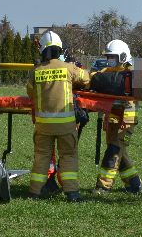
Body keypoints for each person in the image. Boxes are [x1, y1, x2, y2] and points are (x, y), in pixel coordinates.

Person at [27, 31, 90, 202]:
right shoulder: (68, 68)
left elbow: (30, 92)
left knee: (42, 157)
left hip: (43, 126)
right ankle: (71, 192)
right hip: (66, 126)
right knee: (68, 156)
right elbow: (86, 78)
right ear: (60, 49)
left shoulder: (35, 71)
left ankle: (35, 192)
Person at [91, 39, 142, 195]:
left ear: (122, 56)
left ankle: (103, 186)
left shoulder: (135, 73)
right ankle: (134, 184)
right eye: (108, 57)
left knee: (113, 152)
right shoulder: (106, 72)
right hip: (111, 117)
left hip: (126, 120)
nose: (109, 60)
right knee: (118, 151)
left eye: (112, 56)